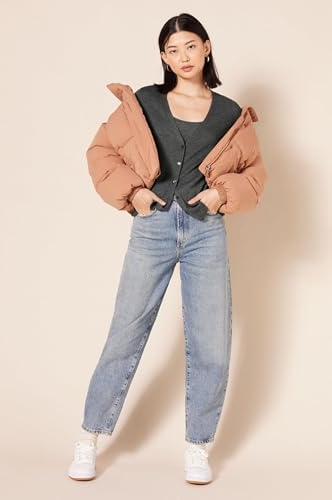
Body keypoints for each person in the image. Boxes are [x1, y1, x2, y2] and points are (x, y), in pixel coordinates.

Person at [68, 12, 268, 485]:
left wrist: (220, 195)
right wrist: (134, 193)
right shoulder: (145, 103)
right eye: (173, 50)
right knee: (126, 333)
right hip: (152, 229)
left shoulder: (229, 114)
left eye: (190, 46)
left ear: (207, 47)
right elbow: (101, 152)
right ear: (163, 57)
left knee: (211, 340)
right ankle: (87, 439)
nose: (183, 57)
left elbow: (255, 174)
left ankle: (198, 447)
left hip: (206, 232)